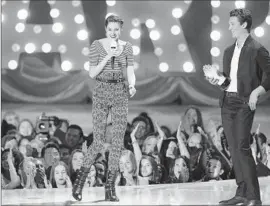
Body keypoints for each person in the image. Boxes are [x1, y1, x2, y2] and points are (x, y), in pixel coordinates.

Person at [204, 9, 270, 206]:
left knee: (242, 147)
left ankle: (254, 197)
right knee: (234, 148)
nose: (229, 26)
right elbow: (228, 81)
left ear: (243, 25)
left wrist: (256, 92)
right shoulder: (228, 51)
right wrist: (216, 78)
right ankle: (241, 193)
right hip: (227, 102)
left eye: (232, 23)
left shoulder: (257, 49)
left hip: (243, 103)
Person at [72, 14, 136, 202]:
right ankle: (78, 185)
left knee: (117, 141)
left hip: (120, 91)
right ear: (106, 29)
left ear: (121, 30)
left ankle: (110, 188)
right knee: (98, 141)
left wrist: (132, 84)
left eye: (117, 29)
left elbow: (129, 70)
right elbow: (92, 72)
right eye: (110, 29)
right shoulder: (97, 46)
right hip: (101, 89)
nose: (113, 32)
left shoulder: (127, 47)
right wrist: (109, 55)